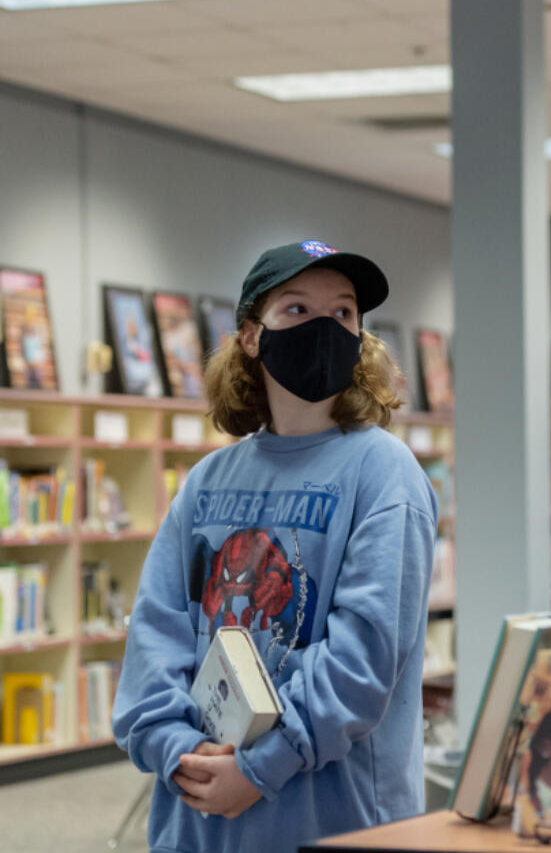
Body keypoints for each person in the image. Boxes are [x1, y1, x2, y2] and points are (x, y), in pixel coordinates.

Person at [111, 239, 437, 853]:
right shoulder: (209, 480)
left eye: (343, 314)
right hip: (196, 818)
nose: (324, 328)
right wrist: (177, 750)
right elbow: (156, 633)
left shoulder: (383, 473)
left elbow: (363, 658)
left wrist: (261, 768)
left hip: (331, 822)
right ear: (252, 337)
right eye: (295, 310)